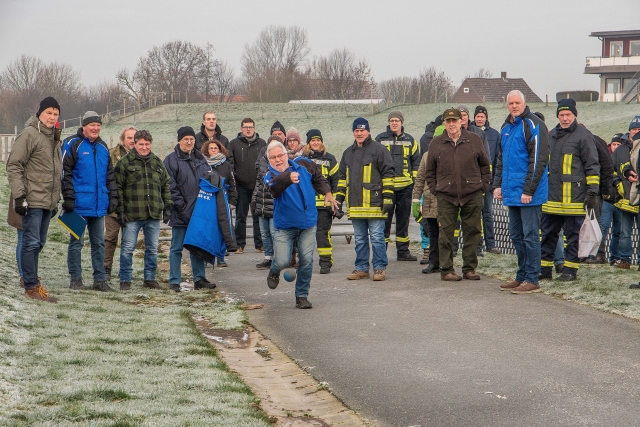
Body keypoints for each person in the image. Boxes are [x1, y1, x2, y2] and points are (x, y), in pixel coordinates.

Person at [263, 141, 336, 309]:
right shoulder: (270, 176)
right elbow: (275, 190)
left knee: (307, 260)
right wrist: (288, 178)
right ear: (269, 160)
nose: (278, 160)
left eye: (280, 155)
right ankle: (274, 270)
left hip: (308, 224)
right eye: (273, 158)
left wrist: (327, 192)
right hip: (285, 227)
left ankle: (301, 296)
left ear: (286, 154)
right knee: (282, 261)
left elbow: (318, 176)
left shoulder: (304, 164)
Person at [424, 108, 491, 281]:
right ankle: (446, 270)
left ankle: (469, 269)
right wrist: (436, 189)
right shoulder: (436, 143)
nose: (452, 124)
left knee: (472, 231)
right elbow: (429, 171)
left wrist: (482, 186)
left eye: (455, 120)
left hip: (472, 193)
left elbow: (485, 165)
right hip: (446, 195)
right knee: (445, 234)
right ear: (444, 123)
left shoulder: (474, 140)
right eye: (448, 121)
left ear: (461, 121)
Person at [493, 90, 549, 293]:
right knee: (516, 236)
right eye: (511, 103)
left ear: (524, 103)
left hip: (528, 194)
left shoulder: (534, 125)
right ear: (506, 105)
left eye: (517, 102)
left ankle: (532, 278)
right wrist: (497, 185)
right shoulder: (506, 126)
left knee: (530, 236)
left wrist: (528, 190)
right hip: (512, 191)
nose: (514, 106)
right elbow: (501, 160)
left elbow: (538, 160)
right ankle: (521, 275)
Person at [6, 97, 62, 302]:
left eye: (56, 114)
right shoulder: (30, 134)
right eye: (49, 113)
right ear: (39, 113)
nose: (52, 117)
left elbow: (56, 171)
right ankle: (31, 287)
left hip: (47, 201)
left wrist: (55, 199)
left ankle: (33, 281)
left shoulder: (55, 137)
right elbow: (13, 165)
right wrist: (20, 196)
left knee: (39, 243)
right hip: (32, 199)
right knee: (30, 243)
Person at [539, 99, 600, 281]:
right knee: (548, 235)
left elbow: (592, 165)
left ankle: (569, 271)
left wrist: (592, 192)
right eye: (562, 115)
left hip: (574, 197)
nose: (565, 118)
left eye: (568, 115)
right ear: (557, 116)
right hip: (551, 198)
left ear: (575, 115)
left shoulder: (583, 135)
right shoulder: (552, 135)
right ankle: (545, 270)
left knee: (572, 237)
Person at [62, 111, 118, 292]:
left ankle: (99, 280)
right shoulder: (72, 144)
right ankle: (75, 279)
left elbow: (109, 175)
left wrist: (112, 197)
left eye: (98, 125)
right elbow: (65, 173)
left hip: (98, 205)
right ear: (84, 126)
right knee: (76, 243)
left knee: (98, 244)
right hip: (78, 205)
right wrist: (68, 197)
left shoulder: (103, 147)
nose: (95, 128)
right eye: (92, 125)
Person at [335, 117, 395, 281]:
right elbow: (341, 178)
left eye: (362, 130)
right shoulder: (348, 153)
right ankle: (361, 268)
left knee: (377, 238)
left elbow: (388, 174)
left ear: (368, 131)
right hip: (355, 205)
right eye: (357, 130)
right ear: (353, 132)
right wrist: (338, 200)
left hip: (375, 204)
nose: (359, 133)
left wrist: (388, 197)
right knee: (360, 239)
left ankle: (379, 268)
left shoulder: (379, 150)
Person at [114, 130, 172, 291]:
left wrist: (167, 206)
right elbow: (117, 188)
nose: (144, 147)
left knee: (152, 248)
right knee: (127, 248)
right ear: (135, 144)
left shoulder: (157, 162)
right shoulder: (125, 163)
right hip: (132, 214)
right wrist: (121, 210)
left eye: (147, 144)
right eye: (141, 144)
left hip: (153, 214)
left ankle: (150, 278)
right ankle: (125, 279)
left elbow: (165, 185)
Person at [164, 126, 216, 292]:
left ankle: (199, 278)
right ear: (179, 140)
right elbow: (170, 187)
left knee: (197, 246)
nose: (189, 142)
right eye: (185, 139)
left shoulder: (200, 158)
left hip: (198, 212)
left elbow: (208, 181)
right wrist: (182, 207)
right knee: (176, 248)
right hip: (180, 213)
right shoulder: (171, 160)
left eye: (191, 139)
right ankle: (174, 280)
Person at [375, 111, 421, 261]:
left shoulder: (411, 140)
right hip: (386, 188)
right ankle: (382, 252)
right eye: (391, 120)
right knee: (384, 222)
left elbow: (416, 163)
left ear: (402, 122)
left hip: (405, 188)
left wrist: (413, 182)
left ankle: (403, 252)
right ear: (389, 122)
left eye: (397, 120)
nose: (394, 123)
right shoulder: (379, 140)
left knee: (403, 221)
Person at [303, 129, 339, 274]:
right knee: (305, 234)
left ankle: (325, 263)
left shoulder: (330, 159)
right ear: (308, 143)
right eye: (313, 140)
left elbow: (336, 181)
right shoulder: (303, 159)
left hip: (324, 205)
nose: (316, 142)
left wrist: (334, 201)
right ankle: (305, 262)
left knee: (322, 234)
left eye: (318, 140)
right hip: (307, 205)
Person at [104, 125, 137, 281]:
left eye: (134, 137)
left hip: (132, 206)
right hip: (113, 204)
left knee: (128, 241)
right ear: (122, 139)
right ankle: (106, 268)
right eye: (129, 137)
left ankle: (125, 271)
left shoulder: (141, 156)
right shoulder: (111, 154)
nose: (132, 141)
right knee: (110, 237)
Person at [228, 118, 266, 253]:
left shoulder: (262, 143)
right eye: (245, 127)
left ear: (254, 128)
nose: (248, 129)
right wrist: (234, 178)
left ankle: (260, 244)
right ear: (241, 129)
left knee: (258, 215)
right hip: (241, 186)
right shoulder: (233, 144)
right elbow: (230, 164)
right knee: (240, 216)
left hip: (257, 185)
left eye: (250, 127)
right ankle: (239, 244)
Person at [202, 139, 237, 268]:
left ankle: (221, 257)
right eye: (211, 148)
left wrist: (232, 201)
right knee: (208, 230)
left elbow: (232, 183)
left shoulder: (226, 165)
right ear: (207, 150)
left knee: (223, 230)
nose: (213, 150)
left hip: (224, 200)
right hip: (208, 200)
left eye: (215, 148)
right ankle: (206, 256)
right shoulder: (203, 164)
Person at [472, 105, 502, 255]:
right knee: (474, 213)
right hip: (473, 182)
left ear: (486, 118)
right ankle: (476, 244)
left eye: (482, 116)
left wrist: (495, 180)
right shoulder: (469, 132)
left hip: (488, 181)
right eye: (477, 116)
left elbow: (497, 159)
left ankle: (491, 244)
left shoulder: (495, 135)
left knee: (488, 213)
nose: (479, 119)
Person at [611, 117, 640, 271]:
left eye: (639, 129)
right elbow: (611, 169)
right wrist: (618, 184)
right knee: (624, 232)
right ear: (629, 131)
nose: (636, 132)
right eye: (634, 129)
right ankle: (624, 259)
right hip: (625, 197)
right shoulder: (621, 150)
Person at [252, 134, 280, 270]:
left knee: (274, 232)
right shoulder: (262, 161)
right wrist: (254, 198)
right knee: (264, 232)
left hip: (274, 202)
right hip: (262, 201)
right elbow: (258, 181)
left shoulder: (281, 163)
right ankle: (268, 257)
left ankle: (278, 258)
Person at [412, 150, 440, 275]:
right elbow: (420, 178)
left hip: (447, 200)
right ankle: (434, 262)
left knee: (447, 235)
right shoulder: (427, 156)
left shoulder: (454, 152)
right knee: (432, 233)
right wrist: (416, 199)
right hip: (429, 199)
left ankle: (446, 263)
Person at [600, 133, 624, 266]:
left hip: (620, 201)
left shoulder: (624, 159)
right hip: (607, 200)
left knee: (618, 231)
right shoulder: (606, 158)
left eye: (618, 144)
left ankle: (615, 257)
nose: (615, 147)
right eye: (614, 144)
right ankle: (600, 254)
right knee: (603, 227)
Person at [7, 196, 25, 286]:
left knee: (35, 240)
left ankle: (28, 275)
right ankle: (24, 276)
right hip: (22, 199)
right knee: (22, 238)